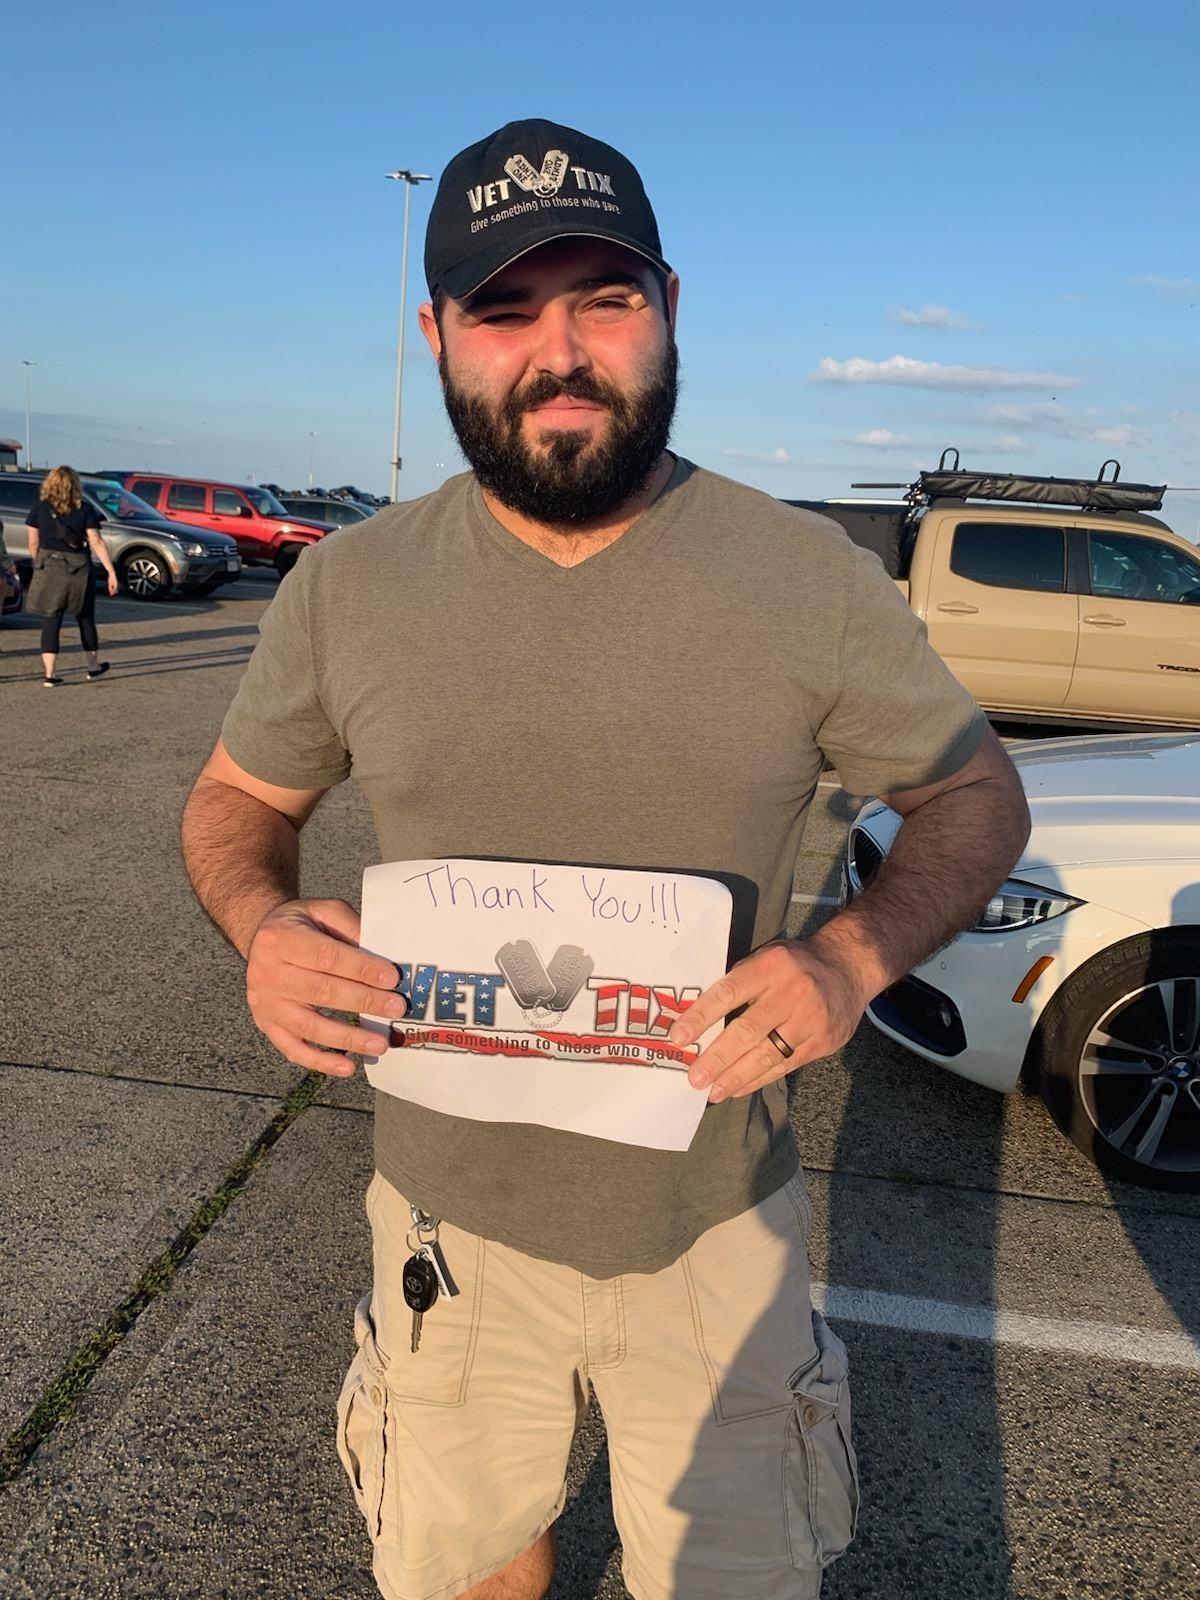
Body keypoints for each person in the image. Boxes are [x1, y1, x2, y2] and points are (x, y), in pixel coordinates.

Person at [181, 119, 1031, 1600]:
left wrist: (850, 957)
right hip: (446, 1226)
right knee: (468, 1568)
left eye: (605, 299)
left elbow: (976, 797)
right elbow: (232, 805)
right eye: (505, 310)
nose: (559, 352)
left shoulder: (806, 579)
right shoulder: (349, 589)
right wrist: (263, 924)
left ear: (671, 308)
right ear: (438, 337)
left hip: (716, 1232)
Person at [25, 466, 117, 685]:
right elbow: (96, 541)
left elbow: (33, 543)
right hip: (79, 568)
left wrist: (38, 564)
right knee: (85, 617)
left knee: (51, 618)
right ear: (75, 485)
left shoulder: (40, 507)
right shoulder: (84, 509)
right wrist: (111, 571)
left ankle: (50, 674)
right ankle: (93, 666)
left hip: (49, 564)